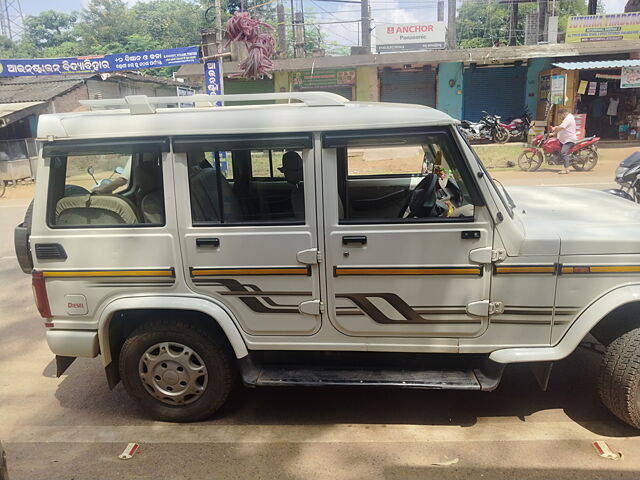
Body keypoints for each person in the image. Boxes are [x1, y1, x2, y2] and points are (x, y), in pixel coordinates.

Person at [551, 108, 578, 174]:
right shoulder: (567, 118)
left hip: (569, 140)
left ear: (563, 114)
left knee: (563, 152)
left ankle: (566, 169)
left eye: (560, 116)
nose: (560, 117)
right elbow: (562, 126)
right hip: (564, 139)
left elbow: (562, 127)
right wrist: (555, 127)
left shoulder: (568, 119)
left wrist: (554, 133)